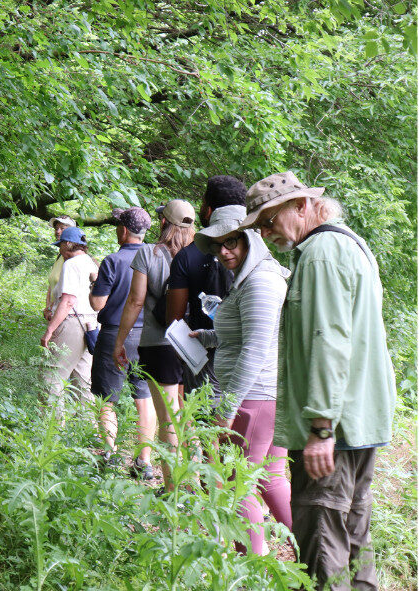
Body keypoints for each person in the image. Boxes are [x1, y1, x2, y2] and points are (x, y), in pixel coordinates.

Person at [241, 171, 395, 589]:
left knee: (323, 541)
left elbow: (329, 341)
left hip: (335, 431)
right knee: (353, 535)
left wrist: (321, 426)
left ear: (302, 206)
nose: (265, 231)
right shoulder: (347, 245)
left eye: (270, 219)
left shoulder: (322, 254)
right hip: (358, 424)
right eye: (259, 225)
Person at [189, 205, 292, 555]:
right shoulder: (251, 277)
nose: (224, 252)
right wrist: (208, 336)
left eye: (231, 242)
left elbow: (256, 350)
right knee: (269, 479)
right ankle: (314, 552)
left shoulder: (261, 281)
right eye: (218, 245)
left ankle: (255, 565)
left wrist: (227, 409)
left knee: (237, 484)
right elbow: (246, 336)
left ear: (251, 238)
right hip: (264, 395)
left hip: (253, 399)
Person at [113, 199, 195, 491]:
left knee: (168, 418)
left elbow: (135, 301)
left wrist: (120, 342)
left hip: (159, 345)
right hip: (196, 345)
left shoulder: (149, 253)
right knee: (191, 414)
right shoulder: (202, 255)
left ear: (163, 223)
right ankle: (197, 481)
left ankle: (174, 487)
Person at [166, 176, 246, 403]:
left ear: (209, 211)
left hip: (204, 356)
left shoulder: (187, 256)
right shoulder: (255, 250)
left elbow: (174, 318)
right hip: (249, 352)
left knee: (207, 425)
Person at [88, 207, 155, 477]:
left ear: (124, 230)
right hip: (147, 336)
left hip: (115, 334)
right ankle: (144, 462)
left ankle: (110, 453)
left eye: (118, 226)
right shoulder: (156, 257)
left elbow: (97, 303)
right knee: (145, 396)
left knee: (107, 398)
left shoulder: (113, 261)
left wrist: (94, 285)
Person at [41, 226, 99, 419]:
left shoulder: (71, 264)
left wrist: (50, 330)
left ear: (67, 244)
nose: (60, 251)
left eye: (60, 246)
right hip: (90, 324)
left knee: (51, 377)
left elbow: (67, 301)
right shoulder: (91, 263)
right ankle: (90, 430)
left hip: (72, 324)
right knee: (83, 381)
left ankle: (52, 428)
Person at [44, 215, 77, 321]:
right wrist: (48, 307)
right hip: (54, 314)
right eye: (56, 228)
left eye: (62, 228)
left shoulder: (76, 259)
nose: (58, 232)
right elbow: (52, 286)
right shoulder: (59, 257)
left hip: (69, 316)